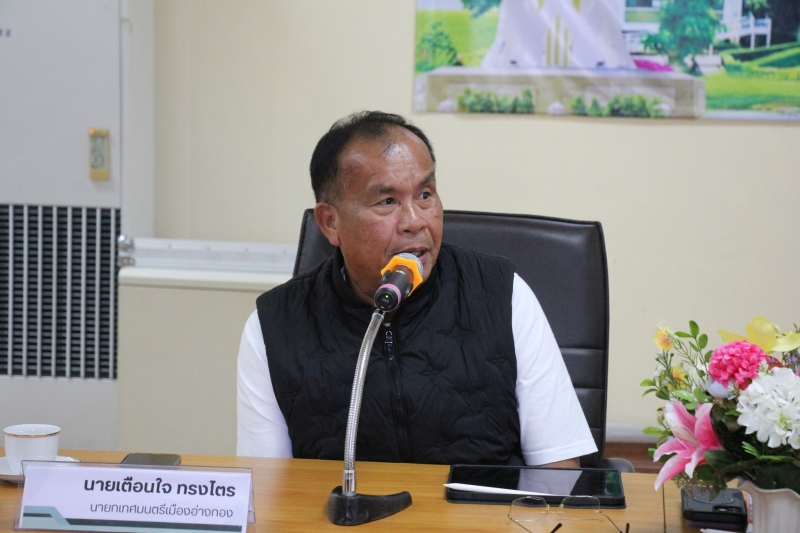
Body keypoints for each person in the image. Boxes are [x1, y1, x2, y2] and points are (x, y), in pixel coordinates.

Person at [237, 111, 596, 467]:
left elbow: (558, 472)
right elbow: (267, 486)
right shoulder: (275, 326)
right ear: (330, 223)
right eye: (387, 202)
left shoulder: (502, 295)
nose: (415, 221)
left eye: (425, 194)